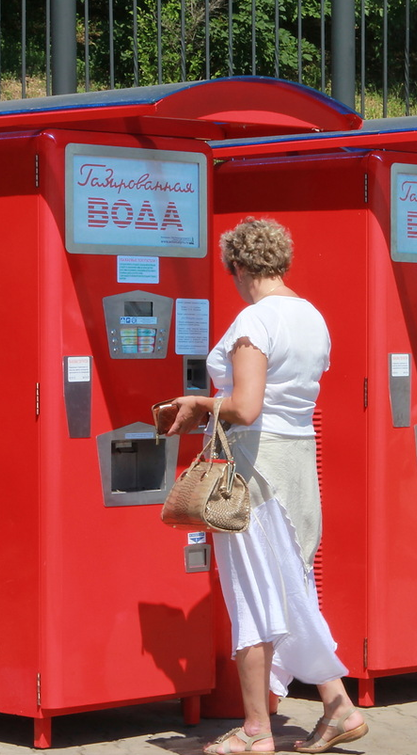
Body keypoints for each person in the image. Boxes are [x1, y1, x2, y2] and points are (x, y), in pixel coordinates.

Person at [166, 218, 368, 755]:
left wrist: (200, 404)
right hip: (300, 462)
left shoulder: (255, 319)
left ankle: (257, 730)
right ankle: (338, 706)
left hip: (257, 468)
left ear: (238, 266)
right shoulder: (312, 317)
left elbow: (247, 407)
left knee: (253, 597)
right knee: (294, 591)